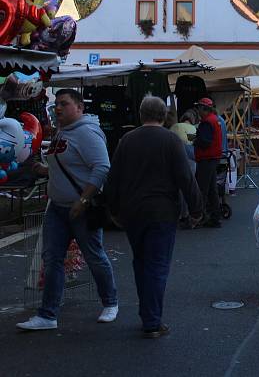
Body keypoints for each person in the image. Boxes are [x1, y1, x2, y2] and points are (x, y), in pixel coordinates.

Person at [17, 89, 118, 331]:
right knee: (52, 260)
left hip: (79, 209)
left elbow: (102, 167)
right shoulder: (63, 131)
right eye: (57, 105)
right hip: (57, 208)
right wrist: (42, 169)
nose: (58, 109)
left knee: (95, 257)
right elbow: (66, 165)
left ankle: (110, 302)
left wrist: (83, 201)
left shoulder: (87, 133)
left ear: (80, 107)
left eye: (64, 104)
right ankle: (47, 315)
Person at [104, 97, 203, 338]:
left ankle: (146, 312)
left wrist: (112, 210)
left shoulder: (127, 140)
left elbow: (113, 177)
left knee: (140, 262)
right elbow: (185, 178)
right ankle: (152, 320)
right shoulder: (171, 140)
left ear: (141, 114)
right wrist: (197, 209)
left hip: (132, 211)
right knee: (157, 265)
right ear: (164, 115)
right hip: (162, 211)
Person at [193, 97, 223, 228]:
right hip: (213, 157)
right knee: (211, 189)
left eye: (199, 107)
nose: (197, 110)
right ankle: (215, 217)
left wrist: (195, 140)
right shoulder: (215, 120)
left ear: (204, 109)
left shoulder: (207, 122)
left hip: (206, 158)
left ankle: (200, 217)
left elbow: (205, 142)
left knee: (202, 189)